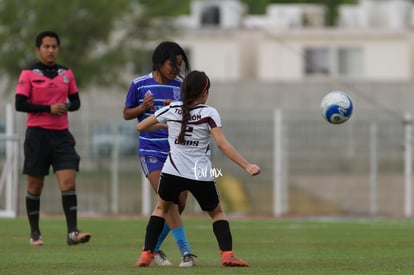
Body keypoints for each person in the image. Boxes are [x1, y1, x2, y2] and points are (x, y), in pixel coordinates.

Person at [134, 70, 261, 267]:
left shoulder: (171, 109)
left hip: (172, 172)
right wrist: (247, 165)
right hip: (199, 174)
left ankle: (146, 255)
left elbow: (141, 127)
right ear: (204, 93)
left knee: (160, 209)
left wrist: (164, 126)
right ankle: (227, 255)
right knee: (217, 213)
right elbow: (221, 144)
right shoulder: (209, 112)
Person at [15, 31, 91, 246]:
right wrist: (48, 108)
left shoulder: (66, 73)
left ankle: (72, 232)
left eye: (54, 46)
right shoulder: (28, 73)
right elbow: (20, 104)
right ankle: (35, 234)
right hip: (37, 136)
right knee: (35, 185)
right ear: (38, 49)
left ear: (58, 49)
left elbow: (76, 102)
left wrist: (65, 106)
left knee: (68, 181)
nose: (50, 50)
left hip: (62, 136)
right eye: (46, 46)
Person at [123, 41, 194, 266]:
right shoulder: (139, 84)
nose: (176, 69)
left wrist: (176, 108)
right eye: (172, 64)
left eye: (180, 65)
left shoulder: (181, 86)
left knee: (180, 202)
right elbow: (126, 113)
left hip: (177, 152)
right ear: (159, 61)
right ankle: (186, 252)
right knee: (168, 198)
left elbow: (189, 115)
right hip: (150, 150)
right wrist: (143, 109)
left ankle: (152, 249)